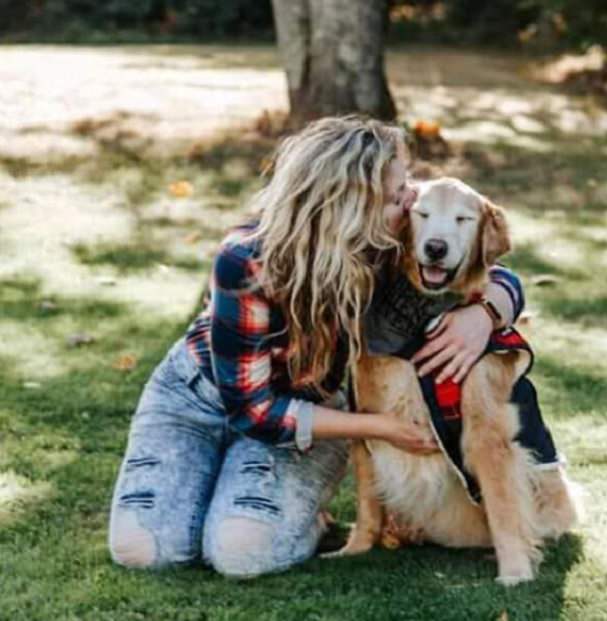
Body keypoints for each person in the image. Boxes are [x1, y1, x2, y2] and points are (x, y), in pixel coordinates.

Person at [108, 116, 523, 578]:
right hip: (193, 403)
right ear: (348, 205)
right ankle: (222, 486)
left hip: (309, 415)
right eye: (397, 193)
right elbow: (253, 411)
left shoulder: (386, 240)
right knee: (143, 551)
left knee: (240, 552)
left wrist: (485, 314)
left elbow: (493, 268)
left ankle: (287, 512)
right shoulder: (246, 261)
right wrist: (380, 425)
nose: (411, 201)